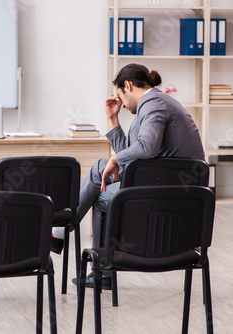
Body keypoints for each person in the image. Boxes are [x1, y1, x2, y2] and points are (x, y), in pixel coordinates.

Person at [63, 63, 205, 289]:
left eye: (120, 95)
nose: (121, 102)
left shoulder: (153, 103)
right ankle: (73, 238)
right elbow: (128, 153)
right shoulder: (155, 104)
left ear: (128, 85)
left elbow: (146, 148)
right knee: (100, 178)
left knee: (101, 177)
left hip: (168, 188)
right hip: (166, 182)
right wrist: (112, 119)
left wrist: (114, 160)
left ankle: (66, 229)